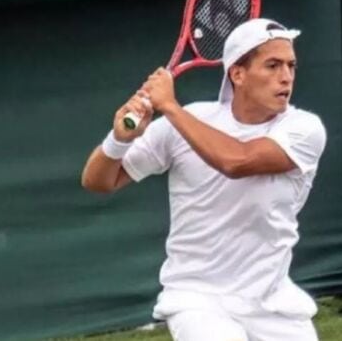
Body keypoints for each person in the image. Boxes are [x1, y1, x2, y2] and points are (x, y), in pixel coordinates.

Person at [81, 18, 327, 341]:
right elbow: (98, 181)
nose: (286, 77)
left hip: (272, 299)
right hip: (197, 297)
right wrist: (119, 139)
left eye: (291, 66)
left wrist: (169, 106)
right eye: (272, 65)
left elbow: (236, 161)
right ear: (237, 74)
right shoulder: (188, 122)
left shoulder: (305, 129)